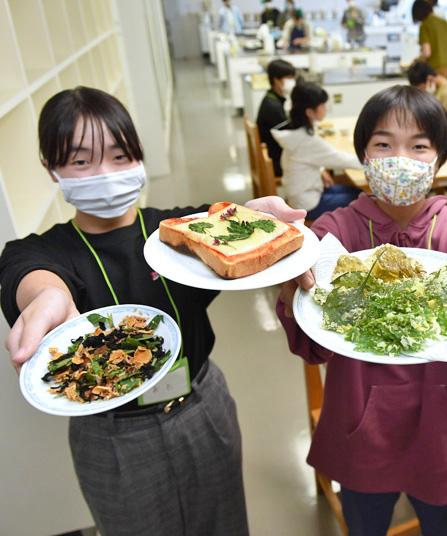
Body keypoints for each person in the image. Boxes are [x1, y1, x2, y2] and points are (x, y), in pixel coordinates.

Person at [0, 86, 306, 536]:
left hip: (202, 408)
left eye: (120, 156)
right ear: (52, 168)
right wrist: (45, 295)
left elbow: (222, 223)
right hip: (113, 436)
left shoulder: (175, 231)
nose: (104, 173)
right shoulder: (50, 249)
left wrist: (254, 222)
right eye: (81, 161)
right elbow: (25, 269)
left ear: (139, 158)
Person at [276, 85, 447, 536]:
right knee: (365, 524)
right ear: (364, 154)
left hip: (443, 426)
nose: (401, 157)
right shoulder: (337, 230)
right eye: (384, 144)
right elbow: (310, 338)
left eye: (420, 146)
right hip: (361, 426)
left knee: (446, 525)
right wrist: (293, 279)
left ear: (440, 158)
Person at [271, 82, 362, 220]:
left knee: (356, 190)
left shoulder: (294, 132)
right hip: (308, 205)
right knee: (362, 198)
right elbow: (340, 159)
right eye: (323, 105)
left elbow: (306, 158)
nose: (325, 108)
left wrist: (320, 170)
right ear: (309, 112)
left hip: (299, 196)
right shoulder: (307, 141)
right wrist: (372, 160)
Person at [256, 59, 296, 177]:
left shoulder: (272, 97)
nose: (292, 81)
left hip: (273, 153)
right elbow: (290, 140)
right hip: (276, 160)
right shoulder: (273, 106)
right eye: (288, 78)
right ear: (276, 80)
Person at [411, 0, 447, 87]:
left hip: (436, 69)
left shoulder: (425, 25)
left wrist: (416, 61)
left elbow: (427, 53)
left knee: (438, 98)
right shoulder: (444, 22)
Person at [407, 60, 447, 127]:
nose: (421, 92)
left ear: (429, 79)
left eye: (421, 89)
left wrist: (428, 98)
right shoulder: (436, 90)